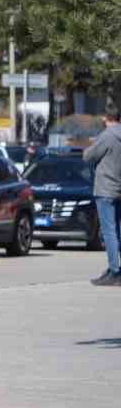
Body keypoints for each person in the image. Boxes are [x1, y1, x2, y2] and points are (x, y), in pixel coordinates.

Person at [83, 108, 121, 286]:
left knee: (109, 232)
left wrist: (90, 145)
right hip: (119, 189)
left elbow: (88, 156)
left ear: (106, 118)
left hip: (106, 189)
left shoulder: (107, 136)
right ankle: (114, 268)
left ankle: (115, 271)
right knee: (117, 231)